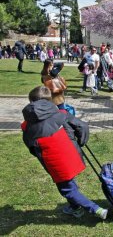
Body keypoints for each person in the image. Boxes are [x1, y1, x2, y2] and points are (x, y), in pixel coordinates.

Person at [21, 86, 108, 219]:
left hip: (52, 160)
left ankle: (96, 209)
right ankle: (75, 208)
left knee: (66, 189)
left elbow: (30, 145)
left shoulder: (27, 126)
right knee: (68, 183)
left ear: (31, 101)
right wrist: (80, 142)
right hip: (71, 153)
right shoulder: (62, 113)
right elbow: (82, 126)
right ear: (49, 100)